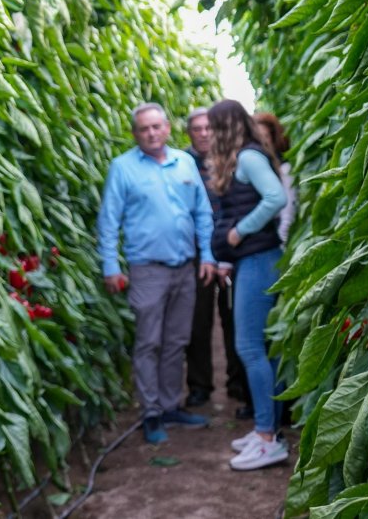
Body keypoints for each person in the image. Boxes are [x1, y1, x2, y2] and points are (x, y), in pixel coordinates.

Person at [97, 103, 217, 445]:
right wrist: (111, 266)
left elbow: (202, 213)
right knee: (149, 341)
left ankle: (169, 405)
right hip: (147, 269)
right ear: (135, 134)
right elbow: (109, 222)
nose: (151, 133)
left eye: (156, 127)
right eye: (144, 129)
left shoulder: (186, 162)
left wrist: (207, 255)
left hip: (185, 267)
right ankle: (150, 412)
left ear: (167, 129)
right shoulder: (123, 168)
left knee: (177, 340)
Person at [206, 100, 289, 471]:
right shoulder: (245, 157)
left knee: (249, 346)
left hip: (258, 261)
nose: (208, 134)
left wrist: (239, 232)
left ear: (227, 126)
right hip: (254, 261)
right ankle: (265, 431)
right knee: (260, 348)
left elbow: (276, 197)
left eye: (213, 126)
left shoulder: (249, 158)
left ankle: (267, 438)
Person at [183, 108, 251, 417]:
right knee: (198, 320)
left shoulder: (232, 159)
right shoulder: (182, 162)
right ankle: (199, 386)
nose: (203, 133)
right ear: (189, 133)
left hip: (230, 247)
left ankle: (237, 383)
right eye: (196, 129)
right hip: (195, 250)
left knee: (234, 315)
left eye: (208, 127)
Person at [253, 112, 296, 245]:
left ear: (274, 138)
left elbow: (288, 214)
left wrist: (281, 243)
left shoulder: (284, 169)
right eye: (257, 138)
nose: (263, 142)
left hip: (277, 240)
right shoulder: (254, 166)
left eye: (266, 136)